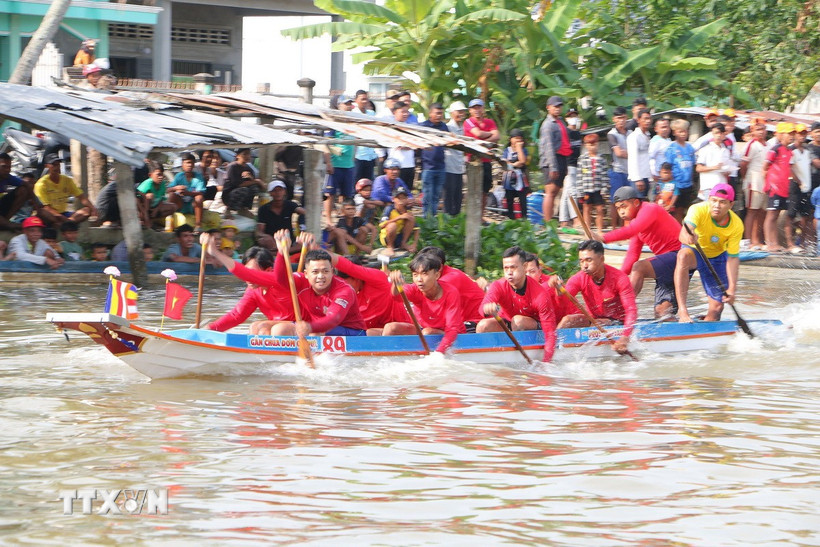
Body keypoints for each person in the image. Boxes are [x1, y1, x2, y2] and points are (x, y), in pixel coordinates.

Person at [207, 230, 366, 337]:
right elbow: (249, 276)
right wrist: (282, 251)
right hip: (313, 328)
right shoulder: (299, 281)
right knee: (256, 327)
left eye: (325, 271)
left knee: (280, 329)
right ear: (306, 274)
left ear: (333, 271)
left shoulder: (344, 290)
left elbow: (333, 319)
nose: (320, 277)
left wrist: (311, 328)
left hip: (351, 334)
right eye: (315, 272)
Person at [596, 186, 683, 318]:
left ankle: (621, 310)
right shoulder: (638, 225)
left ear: (636, 202)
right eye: (618, 208)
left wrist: (603, 238)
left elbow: (630, 231)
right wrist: (617, 281)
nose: (621, 212)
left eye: (624, 206)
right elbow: (632, 256)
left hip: (680, 256)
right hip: (666, 265)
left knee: (639, 267)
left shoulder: (649, 209)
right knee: (662, 313)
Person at [549, 240, 636, 355]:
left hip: (617, 323)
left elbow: (631, 310)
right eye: (581, 261)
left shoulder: (620, 278)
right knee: (567, 321)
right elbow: (564, 299)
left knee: (601, 321)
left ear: (602, 259)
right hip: (593, 321)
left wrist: (625, 338)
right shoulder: (579, 278)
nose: (584, 265)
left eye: (589, 260)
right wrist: (558, 289)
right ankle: (551, 351)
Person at [674, 184, 744, 323]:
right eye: (713, 200)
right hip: (694, 252)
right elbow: (683, 234)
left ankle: (707, 326)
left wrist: (732, 289)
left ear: (731, 205)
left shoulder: (737, 225)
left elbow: (733, 258)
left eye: (722, 202)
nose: (717, 205)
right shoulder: (698, 209)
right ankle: (682, 311)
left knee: (717, 308)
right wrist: (689, 236)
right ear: (709, 200)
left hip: (717, 257)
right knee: (682, 256)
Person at [477, 246, 556, 362]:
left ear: (524, 267)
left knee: (518, 321)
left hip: (533, 326)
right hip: (509, 323)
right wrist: (486, 308)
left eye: (513, 267)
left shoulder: (540, 294)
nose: (509, 272)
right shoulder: (498, 285)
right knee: (482, 326)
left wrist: (546, 362)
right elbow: (481, 310)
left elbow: (550, 333)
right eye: (506, 268)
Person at [384, 252, 465, 355]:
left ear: (437, 275)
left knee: (427, 332)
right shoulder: (414, 288)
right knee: (390, 328)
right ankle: (386, 358)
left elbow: (452, 329)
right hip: (424, 331)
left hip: (453, 336)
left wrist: (438, 354)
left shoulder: (451, 293)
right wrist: (395, 284)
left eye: (424, 274)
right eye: (415, 274)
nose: (419, 279)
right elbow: (397, 297)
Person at [205, 246, 295, 334]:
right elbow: (237, 315)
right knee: (255, 327)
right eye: (246, 272)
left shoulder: (280, 281)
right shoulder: (253, 290)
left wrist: (282, 249)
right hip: (279, 328)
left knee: (272, 328)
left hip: (302, 325)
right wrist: (211, 328)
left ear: (268, 271)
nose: (247, 278)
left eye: (251, 273)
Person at [329, 251, 395, 334]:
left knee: (370, 333)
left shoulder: (378, 279)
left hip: (398, 332)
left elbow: (350, 267)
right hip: (367, 336)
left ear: (357, 277)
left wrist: (317, 250)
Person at [418, 246, 485, 327]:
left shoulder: (450, 278)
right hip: (461, 320)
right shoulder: (445, 274)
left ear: (439, 267)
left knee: (429, 332)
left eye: (424, 271)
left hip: (476, 321)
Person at [34, 155, 97, 226]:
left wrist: (93, 209)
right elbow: (46, 208)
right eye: (54, 165)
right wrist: (64, 219)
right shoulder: (41, 184)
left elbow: (81, 197)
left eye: (58, 165)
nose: (56, 167)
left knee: (86, 211)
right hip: (51, 214)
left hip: (64, 213)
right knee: (43, 212)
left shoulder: (67, 180)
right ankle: (68, 224)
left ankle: (64, 224)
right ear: (47, 166)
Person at [464, 98, 500, 219]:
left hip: (486, 160)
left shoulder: (489, 121)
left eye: (479, 107)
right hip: (473, 161)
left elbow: (497, 136)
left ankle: (481, 216)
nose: (477, 110)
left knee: (485, 190)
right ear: (470, 110)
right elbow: (478, 133)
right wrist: (489, 136)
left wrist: (482, 143)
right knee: (474, 190)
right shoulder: (468, 122)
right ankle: (471, 216)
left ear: (483, 109)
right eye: (474, 108)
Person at [538, 96, 572, 223]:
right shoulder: (547, 125)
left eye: (559, 106)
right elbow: (548, 147)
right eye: (555, 106)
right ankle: (547, 222)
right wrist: (553, 166)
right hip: (552, 160)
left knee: (556, 191)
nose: (557, 109)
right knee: (550, 192)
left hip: (561, 158)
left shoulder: (560, 122)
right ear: (548, 108)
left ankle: (550, 220)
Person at [762, 123, 795, 252]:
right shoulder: (775, 149)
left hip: (783, 188)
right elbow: (765, 168)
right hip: (774, 188)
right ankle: (769, 243)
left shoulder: (789, 151)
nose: (791, 136)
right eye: (789, 134)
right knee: (771, 215)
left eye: (792, 134)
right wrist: (769, 184)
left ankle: (775, 243)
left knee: (776, 215)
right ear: (781, 135)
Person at [739, 122, 769, 249]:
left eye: (762, 129)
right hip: (754, 181)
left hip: (765, 182)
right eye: (758, 129)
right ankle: (748, 240)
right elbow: (743, 165)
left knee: (762, 212)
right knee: (752, 211)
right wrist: (746, 178)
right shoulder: (751, 145)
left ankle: (758, 240)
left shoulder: (768, 145)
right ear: (752, 130)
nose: (761, 132)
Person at [256, 179, 304, 255]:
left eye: (280, 190)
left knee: (304, 244)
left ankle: (279, 253)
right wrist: (267, 237)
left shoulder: (290, 205)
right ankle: (280, 253)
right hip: (272, 242)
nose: (278, 193)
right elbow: (259, 231)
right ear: (270, 193)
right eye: (274, 191)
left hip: (288, 240)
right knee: (262, 240)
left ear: (284, 192)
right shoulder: (263, 209)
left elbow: (302, 211)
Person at [419, 103, 449, 217]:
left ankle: (433, 219)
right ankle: (426, 219)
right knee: (427, 195)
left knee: (436, 196)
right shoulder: (423, 126)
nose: (439, 115)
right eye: (437, 113)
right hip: (428, 167)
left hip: (441, 167)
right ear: (430, 113)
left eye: (441, 113)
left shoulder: (444, 127)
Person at [663, 119, 696, 223]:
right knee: (674, 210)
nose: (683, 134)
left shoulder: (690, 148)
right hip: (676, 185)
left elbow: (693, 165)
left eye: (685, 131)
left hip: (688, 185)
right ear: (674, 132)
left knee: (684, 210)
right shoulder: (671, 148)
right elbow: (668, 167)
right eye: (680, 131)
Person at [786, 124, 812, 253]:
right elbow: (789, 168)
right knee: (790, 215)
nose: (802, 136)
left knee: (805, 217)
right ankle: (790, 244)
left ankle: (802, 243)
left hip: (806, 187)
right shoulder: (791, 150)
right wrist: (799, 180)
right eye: (799, 133)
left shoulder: (806, 151)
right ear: (795, 134)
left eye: (804, 133)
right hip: (795, 186)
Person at [576, 133, 609, 232]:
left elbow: (604, 175)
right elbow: (579, 176)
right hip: (586, 189)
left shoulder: (601, 158)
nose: (592, 146)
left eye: (594, 144)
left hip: (598, 189)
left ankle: (599, 230)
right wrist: (580, 191)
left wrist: (605, 189)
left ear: (597, 144)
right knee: (587, 209)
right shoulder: (582, 159)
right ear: (586, 145)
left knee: (599, 209)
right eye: (589, 144)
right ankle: (588, 230)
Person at [169, 153, 207, 232]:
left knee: (199, 198)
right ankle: (170, 223)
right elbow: (168, 189)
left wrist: (187, 193)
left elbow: (201, 192)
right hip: (181, 204)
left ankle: (198, 225)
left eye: (191, 163)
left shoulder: (198, 177)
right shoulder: (179, 176)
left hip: (193, 205)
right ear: (182, 165)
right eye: (187, 163)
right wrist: (176, 188)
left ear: (194, 165)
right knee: (172, 195)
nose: (189, 165)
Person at [223, 148, 265, 218]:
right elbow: (238, 184)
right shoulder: (232, 167)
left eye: (249, 154)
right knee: (243, 189)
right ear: (237, 156)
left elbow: (251, 182)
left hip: (243, 191)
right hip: (229, 195)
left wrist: (251, 178)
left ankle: (244, 208)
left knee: (254, 188)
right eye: (244, 154)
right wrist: (256, 181)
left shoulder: (248, 167)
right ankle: (228, 210)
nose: (247, 156)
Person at [695, 122, 732, 201]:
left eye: (721, 133)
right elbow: (698, 168)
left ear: (724, 134)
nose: (718, 135)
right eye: (716, 133)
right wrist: (714, 168)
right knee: (708, 209)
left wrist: (727, 171)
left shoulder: (726, 150)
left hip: (722, 186)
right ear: (712, 134)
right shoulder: (706, 149)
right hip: (709, 186)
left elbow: (727, 168)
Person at [0, 152, 37, 230]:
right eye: (4, 167)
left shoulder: (8, 177)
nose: (7, 170)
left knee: (23, 190)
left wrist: (36, 205)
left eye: (9, 167)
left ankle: (6, 221)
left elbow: (27, 184)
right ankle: (8, 224)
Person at [607, 107, 631, 227]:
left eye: (623, 117)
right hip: (617, 171)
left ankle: (625, 227)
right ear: (614, 119)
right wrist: (633, 155)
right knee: (615, 201)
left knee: (628, 201)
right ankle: (614, 227)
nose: (621, 120)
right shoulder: (612, 134)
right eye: (618, 118)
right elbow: (618, 153)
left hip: (630, 172)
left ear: (626, 118)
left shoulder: (631, 133)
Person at [378, 186, 418, 255]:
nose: (401, 200)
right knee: (392, 225)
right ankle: (390, 246)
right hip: (387, 237)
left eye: (403, 198)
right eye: (399, 198)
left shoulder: (408, 211)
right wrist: (399, 217)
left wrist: (414, 244)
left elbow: (417, 229)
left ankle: (403, 243)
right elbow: (382, 225)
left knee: (411, 218)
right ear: (393, 199)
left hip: (399, 237)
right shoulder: (389, 209)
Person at [444, 101, 468, 215]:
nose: (461, 114)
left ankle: (456, 218)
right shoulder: (448, 128)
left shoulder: (463, 128)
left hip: (459, 167)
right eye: (459, 111)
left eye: (462, 111)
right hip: (449, 167)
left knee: (458, 195)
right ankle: (448, 218)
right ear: (452, 113)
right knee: (449, 195)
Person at [136, 162, 177, 227]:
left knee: (173, 207)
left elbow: (162, 198)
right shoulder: (147, 183)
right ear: (150, 175)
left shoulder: (162, 184)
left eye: (162, 175)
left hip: (154, 207)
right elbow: (137, 198)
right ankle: (144, 220)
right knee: (149, 196)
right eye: (158, 175)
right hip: (143, 209)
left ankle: (152, 220)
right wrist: (145, 213)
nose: (161, 177)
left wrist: (156, 209)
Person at [501, 129, 530, 220]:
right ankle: (511, 218)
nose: (518, 141)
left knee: (522, 200)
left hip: (520, 178)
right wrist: (514, 164)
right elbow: (504, 162)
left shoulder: (523, 150)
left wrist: (519, 149)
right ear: (511, 139)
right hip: (509, 177)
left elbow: (522, 161)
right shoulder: (507, 150)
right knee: (509, 199)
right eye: (516, 138)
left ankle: (524, 219)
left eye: (520, 139)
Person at [626, 108, 653, 198]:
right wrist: (637, 179)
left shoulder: (648, 135)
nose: (648, 121)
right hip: (638, 178)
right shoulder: (634, 137)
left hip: (647, 177)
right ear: (638, 120)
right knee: (637, 204)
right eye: (645, 119)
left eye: (649, 118)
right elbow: (633, 158)